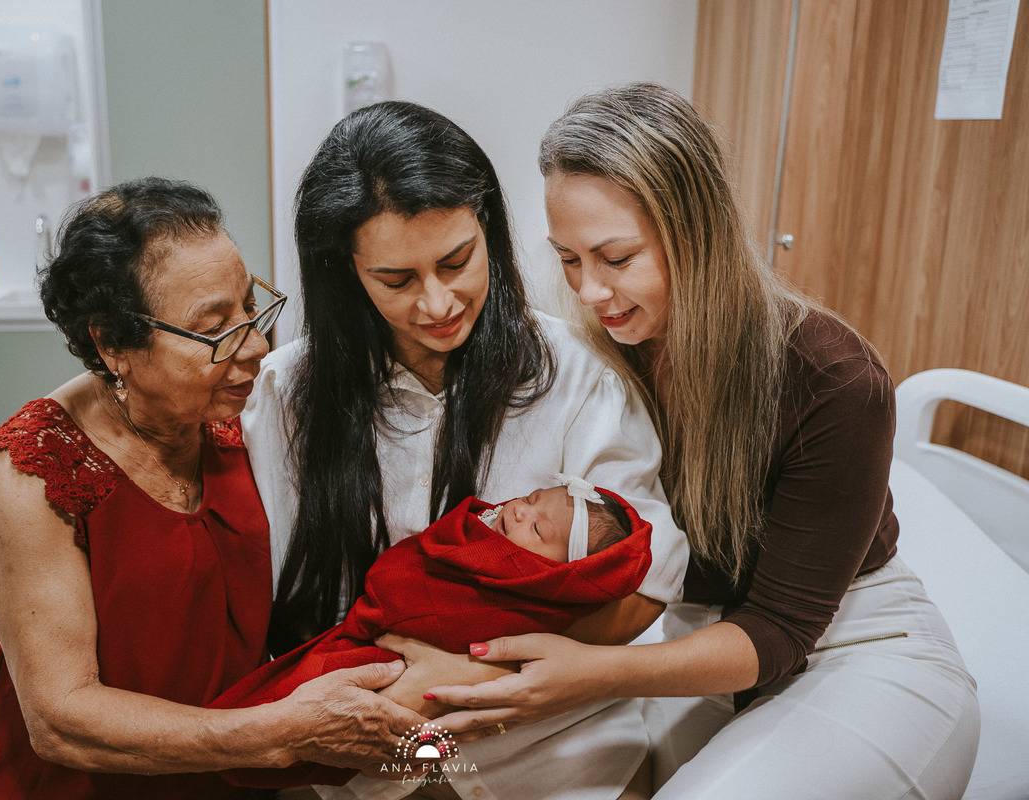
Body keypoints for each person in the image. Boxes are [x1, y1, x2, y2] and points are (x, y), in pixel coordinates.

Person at [428, 83, 981, 799]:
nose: (591, 291)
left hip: (849, 647)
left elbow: (780, 629)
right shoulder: (590, 358)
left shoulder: (833, 381)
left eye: (615, 258)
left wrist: (589, 673)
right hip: (691, 643)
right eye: (568, 259)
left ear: (698, 230)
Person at [242, 100, 688, 800]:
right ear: (345, 274)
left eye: (458, 261)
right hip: (365, 759)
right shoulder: (284, 394)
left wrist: (471, 680)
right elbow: (264, 592)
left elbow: (651, 565)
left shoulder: (576, 377)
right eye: (396, 281)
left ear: (490, 230)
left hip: (556, 745)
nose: (438, 303)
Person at [0, 178, 428, 800]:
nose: (256, 348)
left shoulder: (239, 414)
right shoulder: (33, 474)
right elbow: (61, 721)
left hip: (220, 767)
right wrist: (280, 732)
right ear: (113, 344)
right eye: (215, 329)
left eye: (251, 308)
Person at [213, 477, 653, 790]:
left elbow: (409, 592)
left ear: (557, 576)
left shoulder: (535, 600)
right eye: (532, 497)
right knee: (270, 718)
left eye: (538, 529)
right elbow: (418, 557)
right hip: (374, 647)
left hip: (402, 675)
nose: (520, 510)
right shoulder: (477, 531)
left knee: (291, 712)